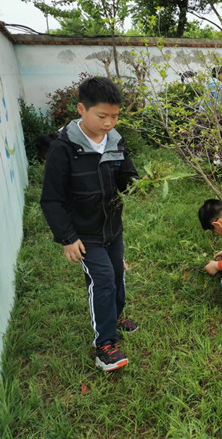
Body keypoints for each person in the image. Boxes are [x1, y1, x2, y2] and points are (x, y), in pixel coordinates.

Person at [40, 77, 139, 372]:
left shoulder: (116, 140)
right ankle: (105, 345)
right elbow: (51, 200)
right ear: (82, 109)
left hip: (112, 227)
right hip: (84, 233)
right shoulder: (64, 148)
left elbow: (126, 175)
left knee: (117, 273)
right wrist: (67, 237)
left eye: (115, 116)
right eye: (102, 116)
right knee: (103, 280)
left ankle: (117, 316)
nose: (109, 122)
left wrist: (138, 183)